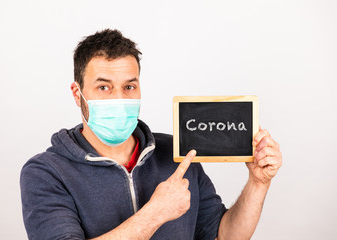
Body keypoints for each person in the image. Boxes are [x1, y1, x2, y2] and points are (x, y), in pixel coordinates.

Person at [20, 29, 282, 240]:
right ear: (78, 94)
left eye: (129, 86)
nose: (120, 98)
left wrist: (258, 183)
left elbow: (223, 236)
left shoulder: (179, 152)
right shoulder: (45, 172)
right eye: (103, 87)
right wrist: (155, 213)